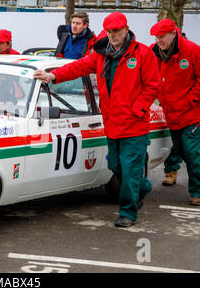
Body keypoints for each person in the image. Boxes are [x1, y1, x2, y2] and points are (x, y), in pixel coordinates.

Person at [34, 12, 161, 227]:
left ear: (126, 30)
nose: (111, 36)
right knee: (115, 165)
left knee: (129, 171)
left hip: (135, 124)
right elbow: (79, 66)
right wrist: (54, 75)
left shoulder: (143, 54)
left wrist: (137, 109)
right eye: (109, 32)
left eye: (116, 32)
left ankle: (128, 212)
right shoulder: (101, 53)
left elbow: (153, 86)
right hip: (112, 122)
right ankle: (144, 186)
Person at [150, 18, 200, 206]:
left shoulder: (194, 52)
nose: (158, 40)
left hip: (193, 112)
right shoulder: (155, 54)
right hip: (171, 111)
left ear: (173, 33)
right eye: (156, 37)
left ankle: (198, 192)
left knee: (191, 151)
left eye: (162, 36)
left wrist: (188, 102)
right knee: (182, 150)